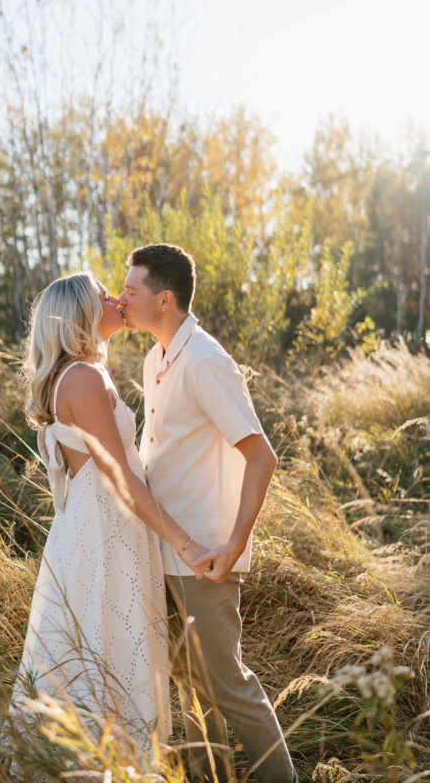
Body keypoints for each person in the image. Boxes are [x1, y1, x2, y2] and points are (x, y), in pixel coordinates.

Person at [7, 272, 210, 760]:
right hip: (105, 527)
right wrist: (187, 544)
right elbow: (122, 479)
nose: (116, 299)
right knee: (109, 640)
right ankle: (108, 761)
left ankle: (96, 759)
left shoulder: (76, 374)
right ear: (79, 312)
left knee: (102, 641)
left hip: (97, 523)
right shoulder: (84, 378)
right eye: (103, 296)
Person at [118, 243, 298, 783]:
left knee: (228, 685)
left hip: (206, 556)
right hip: (166, 548)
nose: (120, 298)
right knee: (189, 685)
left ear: (164, 299)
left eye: (131, 290)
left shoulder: (206, 360)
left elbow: (261, 456)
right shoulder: (156, 359)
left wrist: (235, 544)